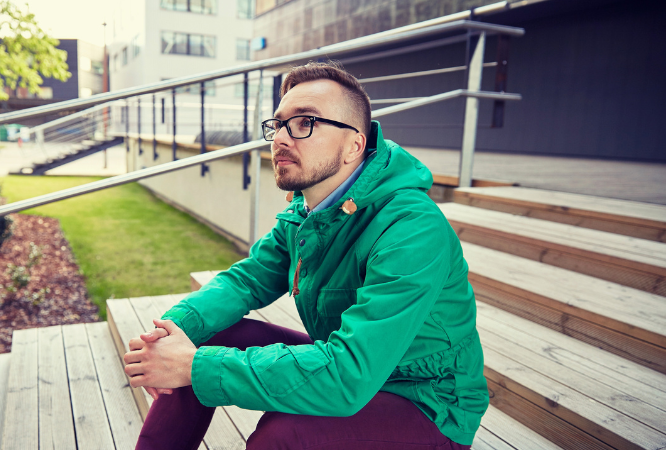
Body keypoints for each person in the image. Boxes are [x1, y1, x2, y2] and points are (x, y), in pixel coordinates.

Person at [123, 61, 488, 449]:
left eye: (304, 122)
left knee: (282, 438)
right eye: (278, 124)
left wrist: (194, 367)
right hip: (351, 365)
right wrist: (165, 336)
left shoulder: (412, 229)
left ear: (354, 146)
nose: (281, 138)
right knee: (203, 334)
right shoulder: (309, 213)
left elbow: (349, 375)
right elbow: (246, 280)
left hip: (425, 401)